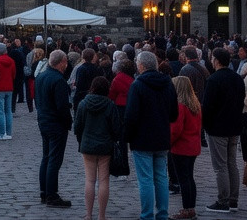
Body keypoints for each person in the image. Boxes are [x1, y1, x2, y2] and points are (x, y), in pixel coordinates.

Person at [125, 50, 178, 220]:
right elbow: (174, 114)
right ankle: (162, 213)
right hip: (161, 136)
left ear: (141, 66)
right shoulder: (168, 84)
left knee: (146, 179)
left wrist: (126, 136)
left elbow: (131, 116)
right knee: (161, 177)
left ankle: (147, 215)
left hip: (142, 138)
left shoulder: (137, 85)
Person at [202, 48, 244, 215]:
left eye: (212, 59)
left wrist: (206, 125)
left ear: (217, 60)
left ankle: (223, 201)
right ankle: (233, 199)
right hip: (234, 126)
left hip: (218, 128)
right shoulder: (237, 79)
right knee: (232, 163)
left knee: (220, 166)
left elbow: (208, 107)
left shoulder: (213, 80)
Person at [74, 76, 119, 220]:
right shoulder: (110, 105)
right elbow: (116, 128)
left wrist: (82, 140)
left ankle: (88, 214)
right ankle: (102, 215)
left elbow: (77, 127)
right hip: (105, 145)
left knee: (90, 180)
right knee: (104, 181)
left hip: (88, 145)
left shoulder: (83, 104)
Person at [36, 49, 73, 208]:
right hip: (55, 123)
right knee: (54, 160)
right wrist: (68, 122)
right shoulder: (58, 80)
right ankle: (51, 194)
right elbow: (62, 107)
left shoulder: (41, 77)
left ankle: (45, 192)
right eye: (65, 62)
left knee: (46, 157)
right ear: (62, 62)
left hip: (44, 120)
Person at [168, 75, 202, 220]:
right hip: (193, 145)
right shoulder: (195, 105)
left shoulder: (180, 106)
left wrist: (167, 141)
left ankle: (187, 209)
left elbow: (176, 130)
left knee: (184, 179)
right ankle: (190, 208)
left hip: (181, 147)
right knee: (189, 177)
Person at [0, 43, 16, 141]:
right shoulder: (11, 61)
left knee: (0, 112)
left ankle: (1, 133)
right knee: (8, 111)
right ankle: (8, 133)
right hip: (9, 87)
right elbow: (14, 74)